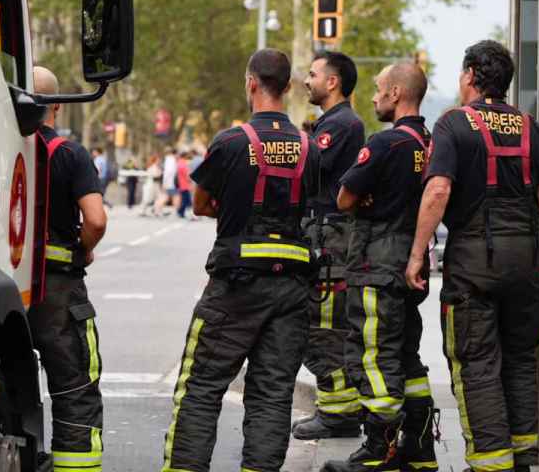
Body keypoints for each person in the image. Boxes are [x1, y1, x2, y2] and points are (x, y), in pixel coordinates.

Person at [160, 48, 319, 472]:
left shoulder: (231, 143)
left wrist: (233, 209)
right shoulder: (310, 147)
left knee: (201, 387)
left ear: (251, 82)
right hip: (293, 288)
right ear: (286, 88)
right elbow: (314, 208)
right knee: (272, 394)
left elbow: (199, 203)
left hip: (236, 284)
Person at [404, 40, 539, 472]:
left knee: (477, 364)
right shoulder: (531, 127)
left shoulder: (455, 124)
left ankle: (491, 464)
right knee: (521, 361)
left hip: (474, 266)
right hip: (524, 265)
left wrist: (418, 255)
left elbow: (437, 190)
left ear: (471, 75)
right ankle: (522, 455)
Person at [321, 61, 437, 472]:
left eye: (377, 89)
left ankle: (377, 451)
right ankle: (421, 449)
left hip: (378, 267)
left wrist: (366, 197)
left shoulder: (386, 144)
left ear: (396, 94)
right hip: (411, 264)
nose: (371, 97)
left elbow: (345, 198)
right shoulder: (430, 142)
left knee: (372, 355)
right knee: (407, 358)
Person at [28, 66, 108, 472]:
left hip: (7, 286)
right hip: (58, 290)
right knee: (75, 381)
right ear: (57, 105)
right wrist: (83, 250)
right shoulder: (70, 154)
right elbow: (95, 219)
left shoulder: (1, 145)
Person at [293, 51, 368, 440]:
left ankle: (339, 415)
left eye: (312, 74)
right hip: (323, 235)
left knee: (322, 328)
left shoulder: (341, 124)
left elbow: (308, 167)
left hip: (330, 240)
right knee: (318, 326)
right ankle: (338, 409)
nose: (307, 80)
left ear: (333, 82)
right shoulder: (333, 122)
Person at [159, 147, 179, 215]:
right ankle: (158, 209)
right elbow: (168, 172)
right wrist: (165, 183)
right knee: (174, 196)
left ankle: (158, 210)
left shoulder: (168, 159)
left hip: (169, 182)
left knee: (168, 197)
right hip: (171, 182)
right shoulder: (171, 160)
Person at [176, 151, 193, 219]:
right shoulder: (183, 164)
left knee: (185, 199)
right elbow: (187, 175)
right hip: (185, 185)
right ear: (185, 156)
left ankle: (181, 212)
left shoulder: (179, 163)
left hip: (181, 184)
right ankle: (184, 213)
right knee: (187, 200)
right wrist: (190, 180)